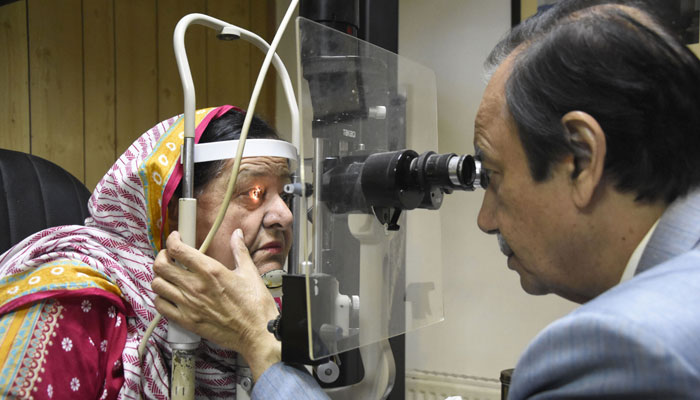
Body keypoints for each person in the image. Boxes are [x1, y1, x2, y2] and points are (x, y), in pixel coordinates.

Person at [151, 1, 700, 398]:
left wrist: (256, 340)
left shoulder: (622, 348)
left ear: (581, 159)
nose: (485, 220)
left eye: (496, 176)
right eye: (250, 192)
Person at [0, 105, 293, 399]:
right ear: (177, 212)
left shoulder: (276, 319)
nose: (284, 215)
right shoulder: (70, 304)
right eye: (254, 192)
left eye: (286, 193)